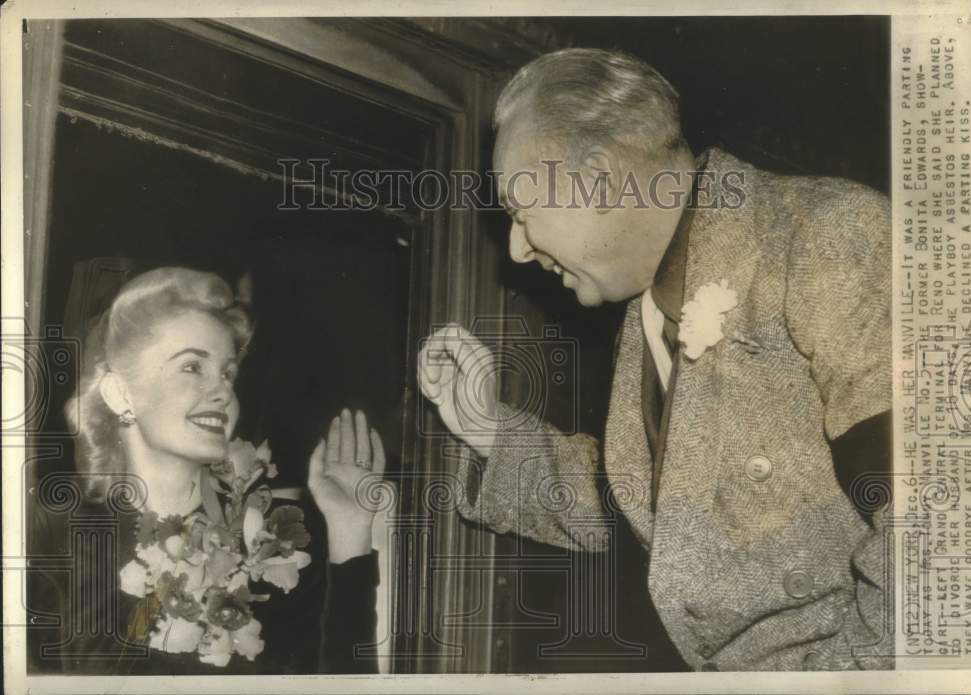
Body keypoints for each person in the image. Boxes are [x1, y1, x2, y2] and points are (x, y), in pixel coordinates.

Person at [418, 48, 892, 671]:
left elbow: (944, 511)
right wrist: (487, 428)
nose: (518, 248)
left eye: (520, 212)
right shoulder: (647, 315)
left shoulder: (824, 236)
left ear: (600, 176)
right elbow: (659, 507)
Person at [28, 267, 384, 674]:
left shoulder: (269, 546)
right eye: (192, 367)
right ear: (120, 392)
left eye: (227, 372)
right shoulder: (54, 533)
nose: (222, 391)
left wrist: (349, 535)